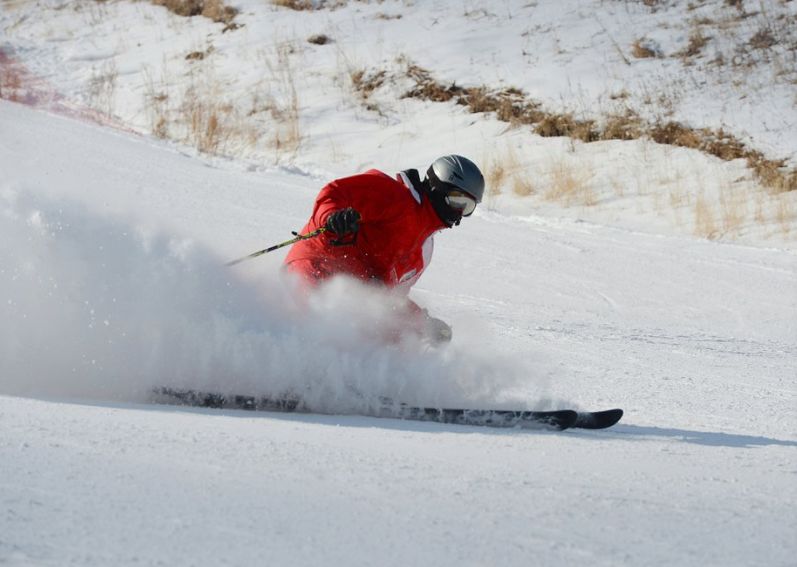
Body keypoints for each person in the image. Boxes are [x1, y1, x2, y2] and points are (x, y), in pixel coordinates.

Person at [284, 154, 485, 344]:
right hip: (315, 265)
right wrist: (331, 217)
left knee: (392, 339)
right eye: (458, 202)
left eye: (467, 208)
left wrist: (421, 322)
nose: (459, 214)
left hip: (350, 293)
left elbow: (386, 299)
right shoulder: (394, 195)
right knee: (323, 324)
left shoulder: (423, 250)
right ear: (438, 187)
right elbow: (336, 192)